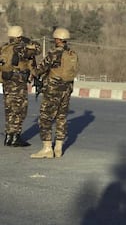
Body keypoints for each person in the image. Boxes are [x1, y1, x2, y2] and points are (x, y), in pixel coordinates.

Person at [30, 27, 79, 159]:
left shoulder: (54, 53)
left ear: (57, 39)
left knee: (45, 117)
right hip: (67, 89)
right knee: (61, 117)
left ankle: (47, 149)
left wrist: (33, 72)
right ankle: (58, 148)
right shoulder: (72, 54)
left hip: (53, 89)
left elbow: (41, 68)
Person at [1, 26, 41, 147]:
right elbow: (37, 49)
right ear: (19, 36)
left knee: (9, 109)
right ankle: (16, 137)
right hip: (18, 82)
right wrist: (28, 41)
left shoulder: (4, 48)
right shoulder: (21, 47)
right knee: (20, 109)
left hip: (7, 81)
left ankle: (9, 136)